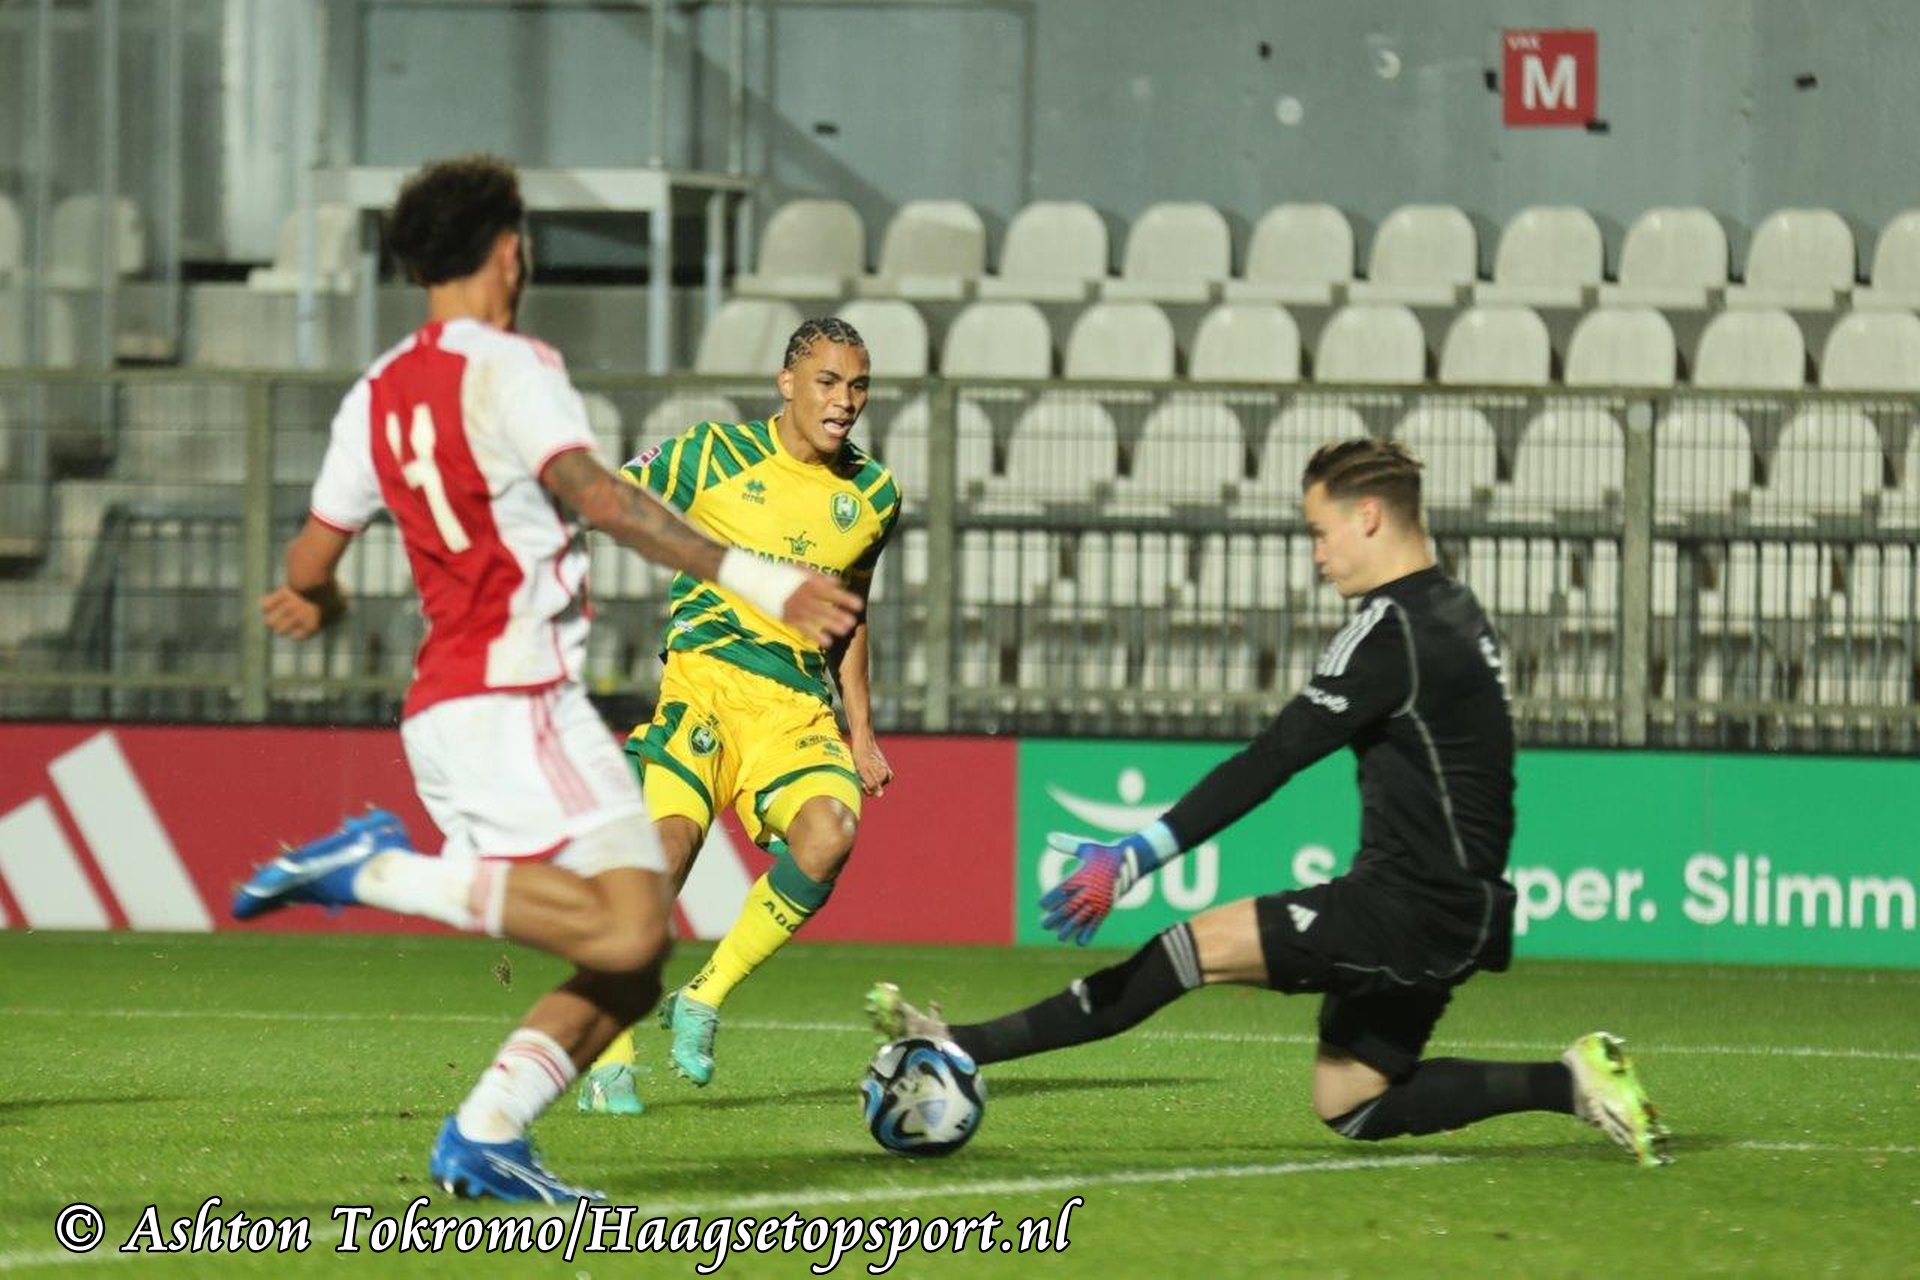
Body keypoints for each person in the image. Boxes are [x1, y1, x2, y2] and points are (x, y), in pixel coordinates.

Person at [230, 155, 861, 1202]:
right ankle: (375, 870)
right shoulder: (513, 365)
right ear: (509, 250)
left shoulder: (374, 394)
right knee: (626, 925)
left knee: (632, 955)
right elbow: (598, 496)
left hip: (456, 703)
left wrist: (321, 605)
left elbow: (308, 566)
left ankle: (486, 1129)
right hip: (511, 695)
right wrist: (763, 579)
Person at [870, 438, 1672, 1167]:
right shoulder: (1455, 612)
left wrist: (1134, 856)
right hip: (1458, 905)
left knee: (1185, 950)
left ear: (1368, 518)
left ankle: (960, 1047)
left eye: (1321, 533)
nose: (1317, 556)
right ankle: (1575, 1081)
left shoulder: (1389, 627)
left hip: (1410, 903)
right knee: (1354, 1102)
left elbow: (1274, 757)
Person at [577, 316, 899, 1114]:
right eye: (828, 382)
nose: (844, 402)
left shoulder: (873, 494)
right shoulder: (711, 454)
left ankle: (704, 996)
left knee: (830, 833)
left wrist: (861, 729)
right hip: (705, 689)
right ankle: (609, 1051)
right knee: (664, 861)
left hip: (795, 710)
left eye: (857, 386)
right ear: (787, 383)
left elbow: (850, 614)